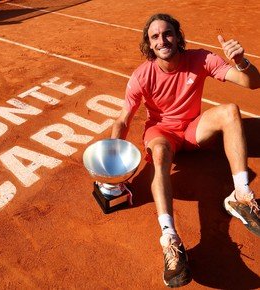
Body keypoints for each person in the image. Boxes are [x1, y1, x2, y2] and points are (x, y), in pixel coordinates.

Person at [110, 13, 260, 288]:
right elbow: (123, 118)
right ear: (149, 45)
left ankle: (241, 193)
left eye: (167, 33)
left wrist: (241, 61)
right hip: (162, 134)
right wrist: (112, 155)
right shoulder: (142, 75)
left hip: (192, 129)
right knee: (159, 154)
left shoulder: (201, 59)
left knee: (230, 111)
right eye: (155, 37)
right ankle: (170, 239)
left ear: (178, 36)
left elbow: (252, 82)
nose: (162, 40)